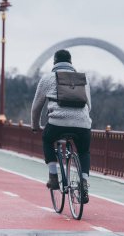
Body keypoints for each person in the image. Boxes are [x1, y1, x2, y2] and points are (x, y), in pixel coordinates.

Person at [31, 49, 92, 204]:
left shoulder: (47, 78)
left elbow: (36, 107)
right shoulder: (82, 79)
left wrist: (35, 126)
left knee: (47, 139)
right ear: (71, 62)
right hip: (82, 124)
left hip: (57, 123)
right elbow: (89, 106)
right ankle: (83, 181)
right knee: (84, 151)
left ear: (54, 62)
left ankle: (53, 177)